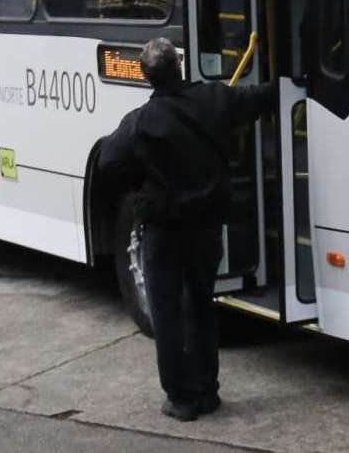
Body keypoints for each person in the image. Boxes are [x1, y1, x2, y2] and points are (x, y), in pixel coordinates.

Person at [97, 37, 275, 422]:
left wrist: (140, 185)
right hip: (206, 228)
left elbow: (108, 162)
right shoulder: (213, 99)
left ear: (146, 76)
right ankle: (207, 391)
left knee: (167, 315)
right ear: (179, 66)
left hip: (163, 232)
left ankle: (181, 398)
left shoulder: (139, 122)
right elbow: (259, 98)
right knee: (201, 306)